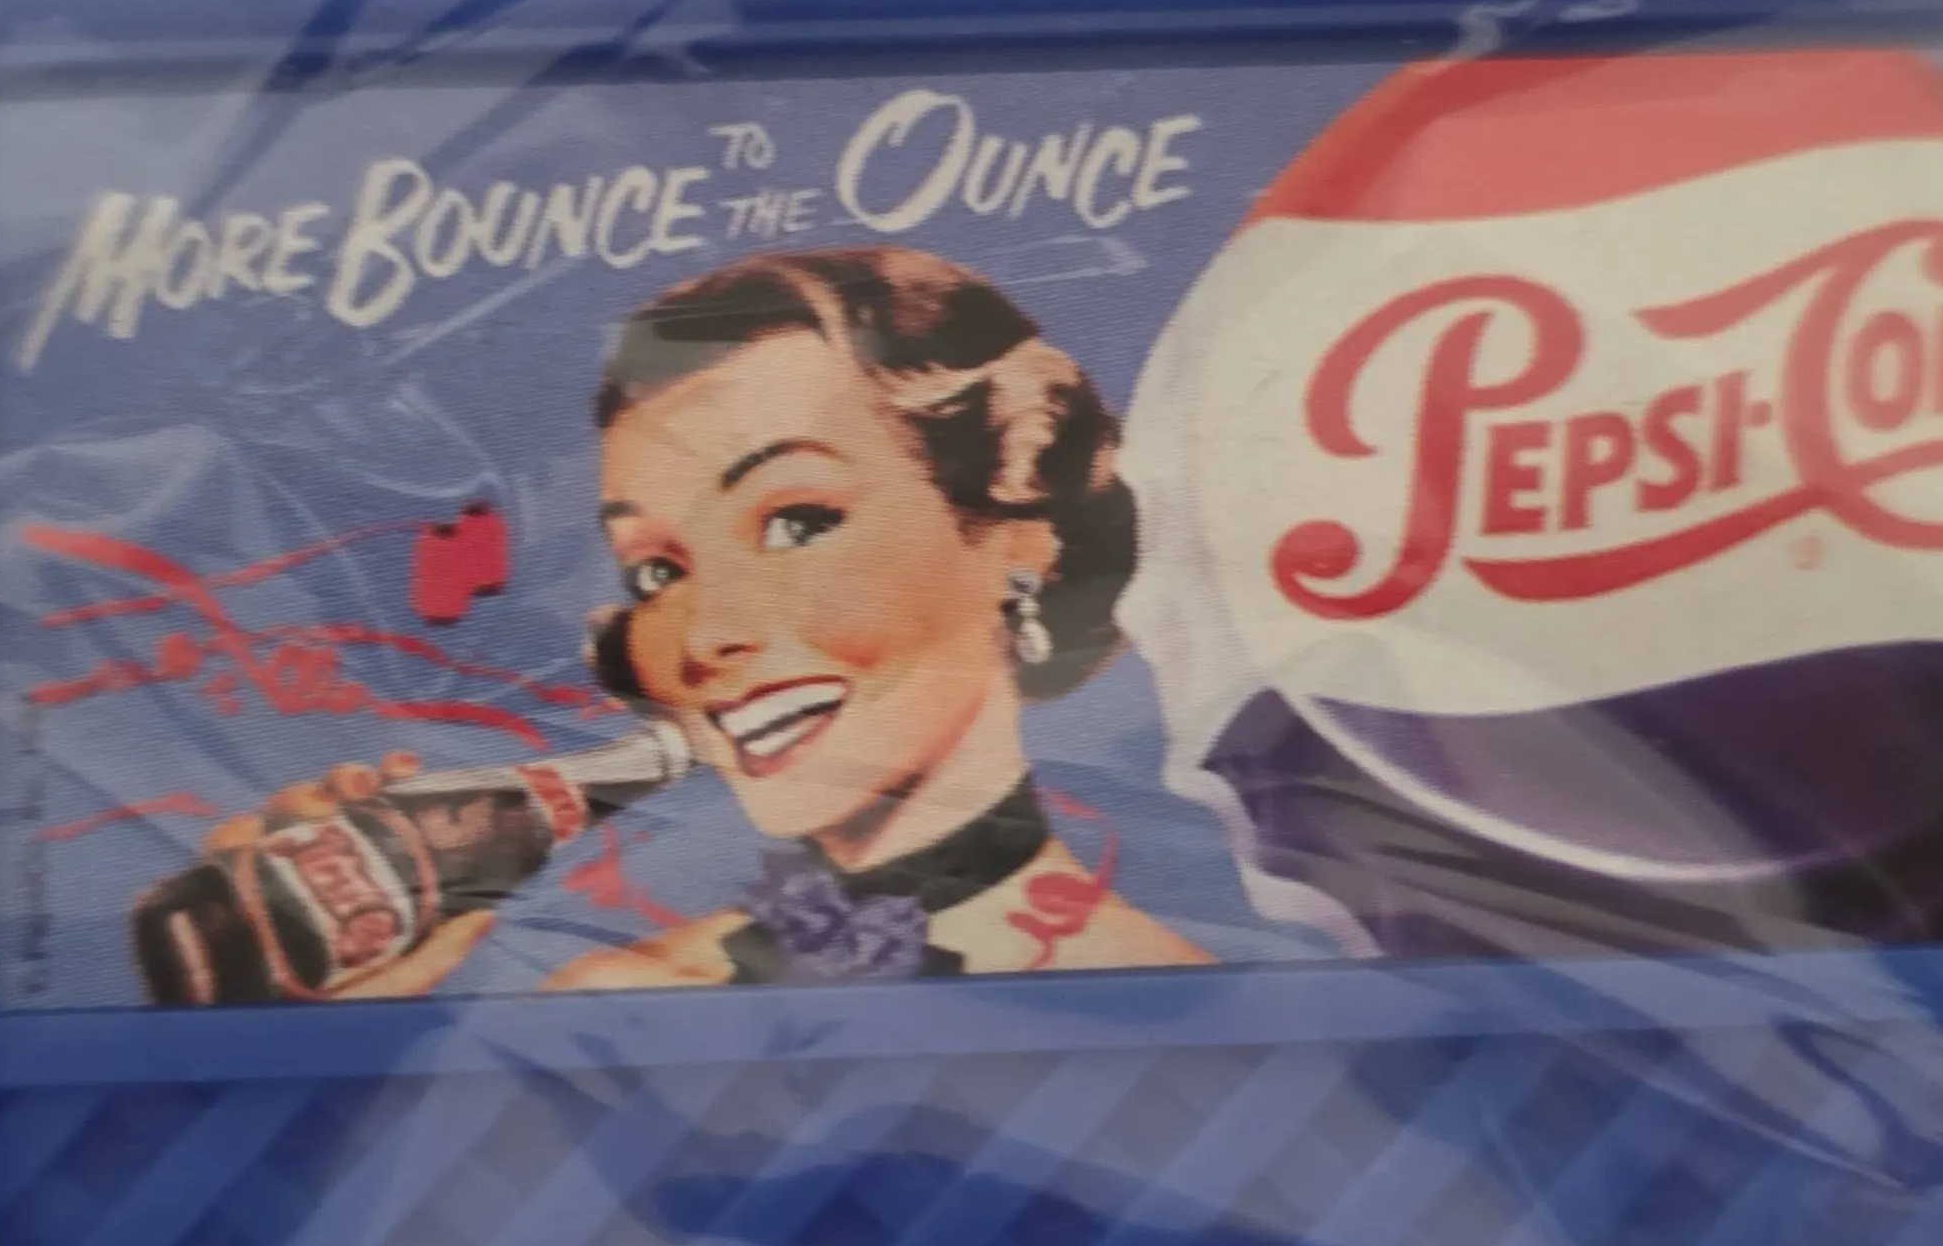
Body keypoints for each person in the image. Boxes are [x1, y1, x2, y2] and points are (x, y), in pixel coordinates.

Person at [204, 247, 1209, 994]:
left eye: (795, 521)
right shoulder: (613, 998)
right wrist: (357, 1021)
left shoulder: (1190, 1007)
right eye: (657, 572)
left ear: (1017, 537)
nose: (699, 638)